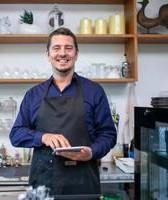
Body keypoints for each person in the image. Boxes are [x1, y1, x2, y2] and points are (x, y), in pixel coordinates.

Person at [9, 27, 117, 198]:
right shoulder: (33, 95)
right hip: (43, 185)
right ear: (48, 54)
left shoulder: (94, 91)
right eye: (56, 48)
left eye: (68, 48)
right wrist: (43, 137)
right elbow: (16, 135)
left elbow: (109, 134)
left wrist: (92, 152)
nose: (63, 53)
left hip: (83, 184)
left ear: (76, 53)